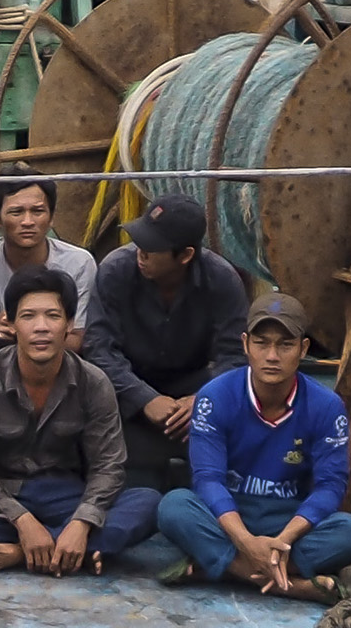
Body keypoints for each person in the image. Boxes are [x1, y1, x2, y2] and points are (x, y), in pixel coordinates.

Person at [0, 265, 159, 575]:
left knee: (148, 503)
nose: (41, 327)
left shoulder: (94, 382)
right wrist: (22, 520)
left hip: (66, 495)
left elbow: (108, 466)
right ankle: (70, 551)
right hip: (1, 494)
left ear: (69, 325)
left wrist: (80, 522)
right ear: (10, 324)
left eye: (53, 316)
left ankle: (18, 553)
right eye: (28, 316)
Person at [154, 290, 351, 599]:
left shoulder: (326, 406)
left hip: (288, 520)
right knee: (173, 507)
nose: (272, 356)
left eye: (285, 344)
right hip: (229, 514)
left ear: (303, 348)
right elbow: (208, 480)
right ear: (245, 344)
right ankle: (289, 586)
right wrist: (246, 543)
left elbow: (330, 485)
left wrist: (282, 540)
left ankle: (221, 566)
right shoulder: (215, 396)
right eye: (262, 342)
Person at [84, 196, 249, 486]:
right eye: (139, 242)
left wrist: (203, 399)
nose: (140, 253)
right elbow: (99, 348)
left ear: (185, 255)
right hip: (127, 387)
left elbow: (235, 355)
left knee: (230, 438)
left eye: (152, 247)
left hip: (195, 386)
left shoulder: (222, 279)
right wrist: (144, 398)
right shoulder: (115, 270)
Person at [0, 173, 95, 350]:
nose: (28, 222)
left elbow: (77, 338)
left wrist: (31, 333)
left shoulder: (79, 263)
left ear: (52, 217)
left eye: (38, 211)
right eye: (16, 212)